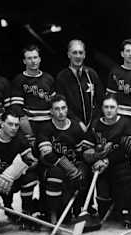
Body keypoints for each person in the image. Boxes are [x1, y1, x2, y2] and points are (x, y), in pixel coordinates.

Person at [84, 95, 131, 227]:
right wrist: (94, 157)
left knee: (126, 180)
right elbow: (87, 147)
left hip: (120, 163)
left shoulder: (126, 123)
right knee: (102, 191)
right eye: (106, 107)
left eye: (112, 107)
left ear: (118, 108)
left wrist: (107, 160)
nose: (109, 110)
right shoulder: (95, 124)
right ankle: (106, 214)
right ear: (102, 108)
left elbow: (125, 151)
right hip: (100, 164)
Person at [36, 94, 94, 223]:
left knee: (85, 173)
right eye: (57, 109)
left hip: (73, 165)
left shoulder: (75, 127)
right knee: (55, 174)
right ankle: (53, 214)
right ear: (51, 111)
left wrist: (81, 166)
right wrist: (68, 166)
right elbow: (47, 156)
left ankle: (80, 210)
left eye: (63, 108)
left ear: (67, 109)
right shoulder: (45, 128)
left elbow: (82, 152)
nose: (61, 112)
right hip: (52, 167)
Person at [55, 40, 104, 129]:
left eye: (80, 53)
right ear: (69, 55)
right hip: (71, 126)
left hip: (93, 126)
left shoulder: (92, 74)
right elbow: (61, 105)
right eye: (74, 53)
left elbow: (100, 101)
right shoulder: (61, 77)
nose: (78, 56)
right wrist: (77, 122)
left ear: (84, 55)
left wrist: (95, 122)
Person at [11, 45, 55, 141]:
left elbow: (55, 102)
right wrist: (24, 122)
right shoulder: (19, 80)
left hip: (48, 122)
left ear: (39, 59)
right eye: (29, 58)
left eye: (35, 57)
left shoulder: (49, 78)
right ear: (24, 61)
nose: (33, 61)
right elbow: (16, 106)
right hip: (29, 123)